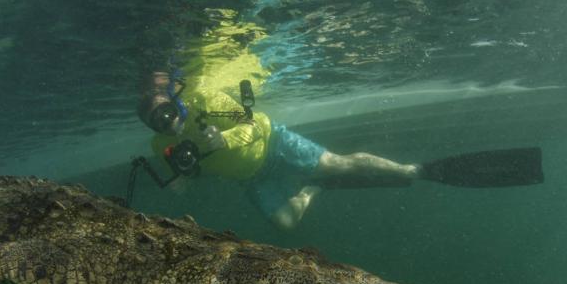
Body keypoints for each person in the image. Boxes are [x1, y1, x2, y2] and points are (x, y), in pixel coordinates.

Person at [137, 69, 420, 230]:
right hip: (251, 177)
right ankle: (311, 188)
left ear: (176, 102)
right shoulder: (160, 145)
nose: (167, 122)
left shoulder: (207, 100)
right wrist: (182, 182)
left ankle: (407, 169)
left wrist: (226, 139)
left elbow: (252, 123)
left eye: (166, 111)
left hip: (274, 143)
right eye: (156, 122)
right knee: (285, 224)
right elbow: (185, 175)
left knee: (340, 164)